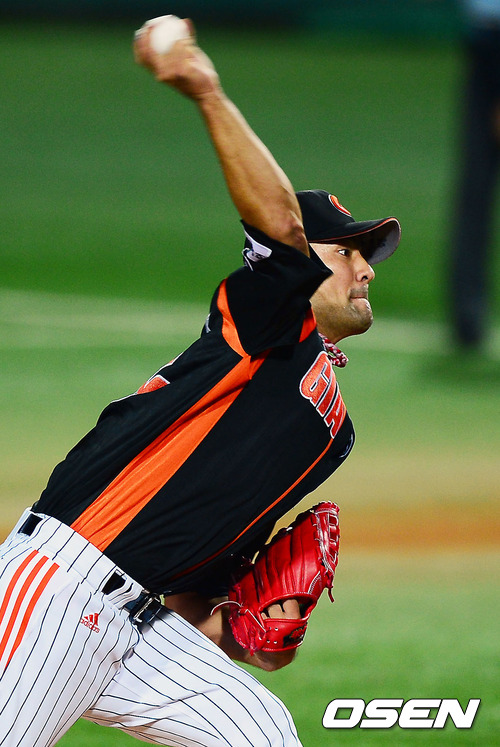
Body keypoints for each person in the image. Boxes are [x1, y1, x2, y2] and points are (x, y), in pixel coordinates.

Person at [0, 17, 401, 747]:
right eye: (346, 251)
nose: (365, 268)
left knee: (261, 732)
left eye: (366, 254)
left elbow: (195, 596)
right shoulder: (267, 325)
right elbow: (280, 230)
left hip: (136, 624)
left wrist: (248, 630)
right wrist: (206, 91)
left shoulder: (326, 430)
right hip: (60, 587)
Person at [449, 0, 500, 348]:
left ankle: (467, 317)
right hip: (483, 40)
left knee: (474, 195)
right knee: (474, 194)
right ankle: (467, 319)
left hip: (488, 38)